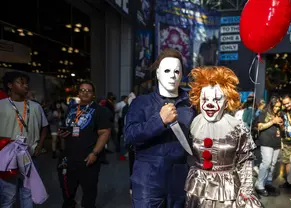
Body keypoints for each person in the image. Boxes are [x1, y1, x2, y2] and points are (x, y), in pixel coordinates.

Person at [124, 48, 195, 207]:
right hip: (148, 182)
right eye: (167, 70)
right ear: (157, 74)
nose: (172, 75)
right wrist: (159, 121)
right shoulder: (141, 103)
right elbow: (129, 136)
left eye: (177, 71)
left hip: (180, 181)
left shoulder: (190, 105)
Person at [185, 66, 261, 207]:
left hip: (227, 191)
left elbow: (246, 161)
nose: (209, 104)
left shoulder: (237, 127)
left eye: (217, 99)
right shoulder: (194, 123)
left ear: (226, 101)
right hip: (198, 188)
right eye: (205, 99)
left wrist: (246, 190)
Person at [58, 80, 112, 208]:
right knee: (67, 194)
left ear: (93, 94)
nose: (85, 93)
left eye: (89, 91)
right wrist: (63, 133)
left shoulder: (100, 111)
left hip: (88, 159)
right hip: (69, 158)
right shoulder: (72, 109)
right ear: (78, 93)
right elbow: (71, 128)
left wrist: (94, 153)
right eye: (82, 90)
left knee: (89, 194)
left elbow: (105, 133)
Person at [0, 71, 49, 207]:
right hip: (8, 158)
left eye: (26, 83)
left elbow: (44, 127)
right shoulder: (1, 105)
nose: (25, 85)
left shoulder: (35, 106)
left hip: (30, 156)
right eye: (20, 82)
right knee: (8, 196)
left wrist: (39, 147)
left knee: (27, 194)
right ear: (10, 85)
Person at [255, 96, 283, 197]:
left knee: (273, 164)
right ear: (271, 105)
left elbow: (282, 128)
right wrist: (272, 122)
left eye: (279, 106)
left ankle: (268, 183)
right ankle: (259, 185)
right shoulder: (264, 113)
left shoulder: (280, 113)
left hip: (276, 141)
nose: (277, 108)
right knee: (266, 163)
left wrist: (281, 124)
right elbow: (259, 126)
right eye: (275, 106)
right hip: (266, 141)